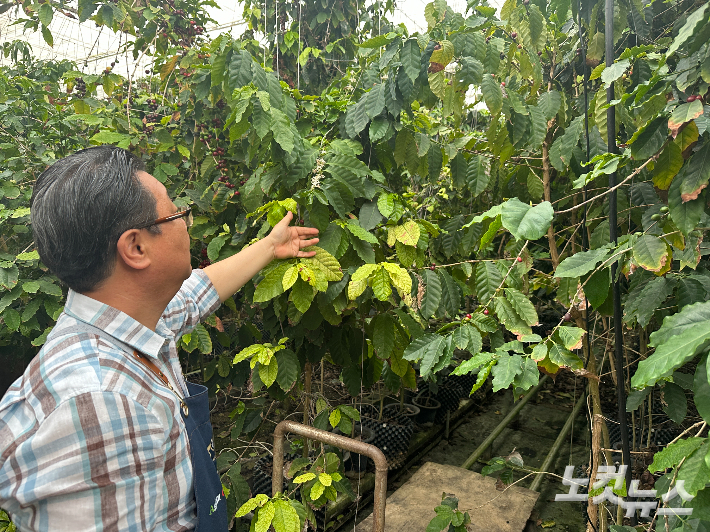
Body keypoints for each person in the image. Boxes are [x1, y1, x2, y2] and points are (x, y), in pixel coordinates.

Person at [0, 145, 319, 531]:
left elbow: (200, 292)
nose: (187, 222)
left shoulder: (128, 320)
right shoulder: (101, 405)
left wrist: (270, 246)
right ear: (136, 247)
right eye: (177, 214)